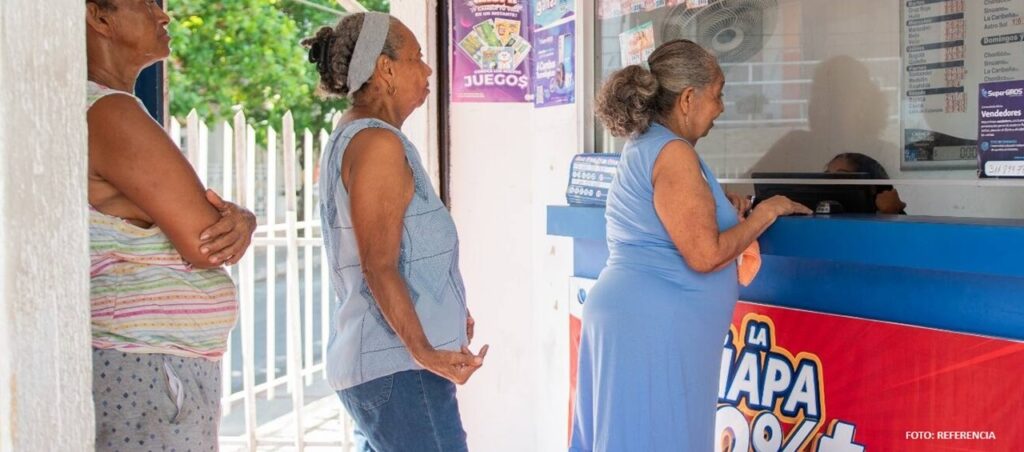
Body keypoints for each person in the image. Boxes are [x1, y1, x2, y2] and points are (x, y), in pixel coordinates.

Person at [570, 39, 810, 452]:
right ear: (687, 99)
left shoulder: (652, 145)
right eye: (717, 94)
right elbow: (706, 255)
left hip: (643, 324)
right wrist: (766, 213)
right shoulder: (673, 153)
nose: (721, 108)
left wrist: (723, 207)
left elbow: (680, 221)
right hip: (650, 330)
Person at [303, 12, 488, 452]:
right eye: (416, 57)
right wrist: (425, 353)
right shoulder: (376, 144)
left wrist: (447, 308)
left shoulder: (364, 136)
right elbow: (378, 266)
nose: (427, 69)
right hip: (399, 371)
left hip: (390, 371)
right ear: (385, 69)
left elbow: (401, 254)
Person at [85, 0, 257, 449]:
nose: (163, 16)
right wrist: (239, 220)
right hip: (145, 366)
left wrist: (241, 219)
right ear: (99, 17)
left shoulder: (107, 108)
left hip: (150, 363)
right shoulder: (111, 112)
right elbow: (207, 242)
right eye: (146, 4)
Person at [825, 152, 907, 214]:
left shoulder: (878, 213)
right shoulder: (825, 211)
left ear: (871, 187)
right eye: (827, 175)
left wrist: (891, 213)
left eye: (841, 176)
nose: (831, 182)